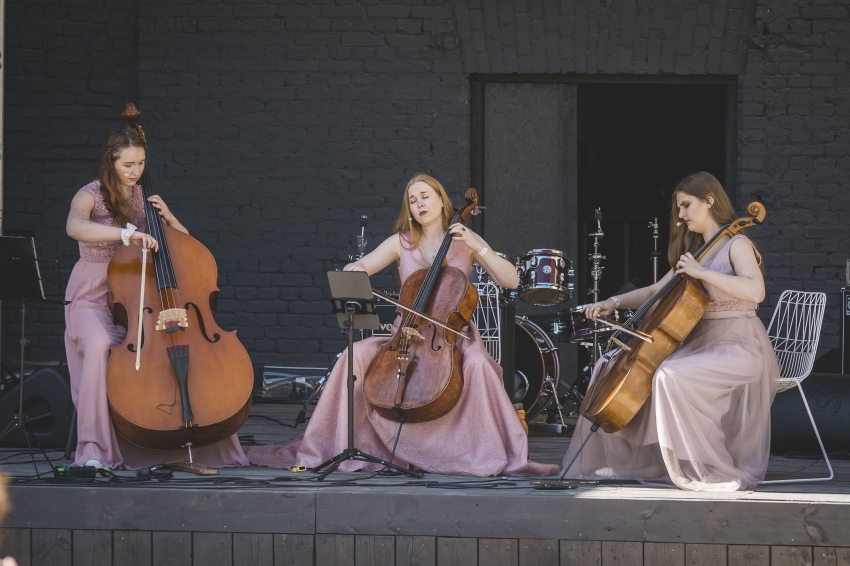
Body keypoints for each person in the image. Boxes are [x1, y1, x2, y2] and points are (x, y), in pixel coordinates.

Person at [249, 174, 559, 477]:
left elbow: (511, 280)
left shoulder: (464, 242)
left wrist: (478, 244)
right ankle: (348, 445)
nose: (419, 204)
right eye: (412, 200)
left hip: (451, 335)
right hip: (404, 334)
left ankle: (476, 452)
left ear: (441, 201)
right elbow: (363, 266)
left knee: (478, 363)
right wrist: (355, 268)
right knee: (355, 356)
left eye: (425, 196)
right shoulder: (401, 242)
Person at [561, 172, 779, 491]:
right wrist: (612, 302)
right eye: (679, 207)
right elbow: (655, 291)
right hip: (699, 345)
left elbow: (755, 291)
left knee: (670, 375)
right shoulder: (697, 252)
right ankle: (648, 462)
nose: (680, 214)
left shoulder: (738, 244)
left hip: (738, 346)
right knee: (608, 366)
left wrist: (702, 273)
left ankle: (703, 466)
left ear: (709, 200)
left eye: (686, 205)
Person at [64, 129, 248, 470]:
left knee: (165, 349)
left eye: (141, 163)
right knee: (99, 345)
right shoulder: (89, 194)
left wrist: (170, 219)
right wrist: (126, 234)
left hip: (140, 290)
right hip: (93, 293)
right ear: (111, 161)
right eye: (128, 164)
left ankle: (180, 431)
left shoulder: (145, 197)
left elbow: (186, 248)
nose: (136, 171)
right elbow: (75, 227)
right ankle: (94, 449)